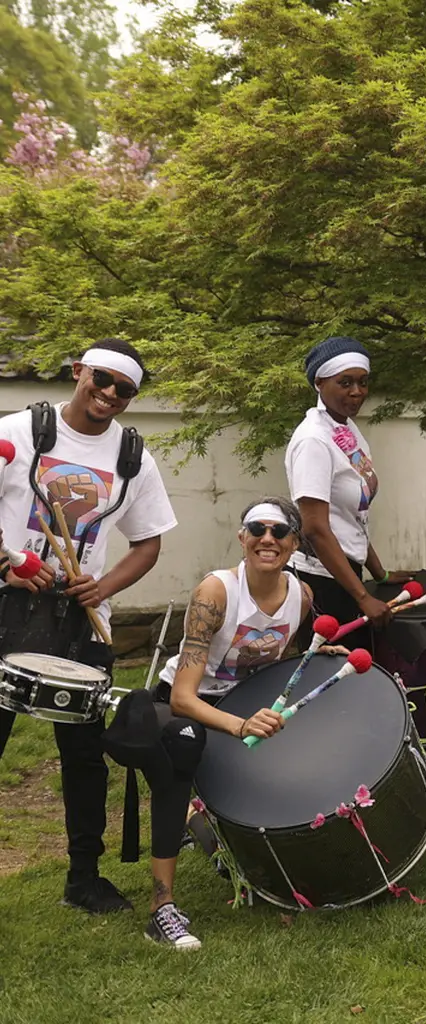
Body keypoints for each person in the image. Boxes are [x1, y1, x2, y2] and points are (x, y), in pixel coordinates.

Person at [0, 340, 177, 913]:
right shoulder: (20, 432)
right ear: (78, 371)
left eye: (124, 388)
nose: (109, 394)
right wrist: (5, 561)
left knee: (82, 752)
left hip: (78, 617)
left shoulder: (133, 456)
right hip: (6, 604)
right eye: (101, 379)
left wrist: (102, 587)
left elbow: (148, 542)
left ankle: (84, 878)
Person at [147, 498, 336, 950]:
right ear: (241, 537)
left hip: (241, 704)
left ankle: (252, 853)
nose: (267, 539)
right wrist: (239, 726)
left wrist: (315, 657)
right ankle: (163, 907)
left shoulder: (302, 596)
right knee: (185, 753)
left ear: (294, 543)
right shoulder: (216, 593)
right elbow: (182, 697)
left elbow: (276, 658)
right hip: (182, 708)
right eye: (257, 528)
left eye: (279, 531)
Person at [285, 336, 410, 653]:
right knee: (331, 681)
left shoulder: (345, 430)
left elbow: (352, 516)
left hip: (345, 574)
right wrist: (363, 596)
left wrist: (379, 574)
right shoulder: (313, 441)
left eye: (363, 382)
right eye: (345, 382)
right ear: (320, 382)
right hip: (321, 580)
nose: (356, 392)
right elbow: (314, 528)